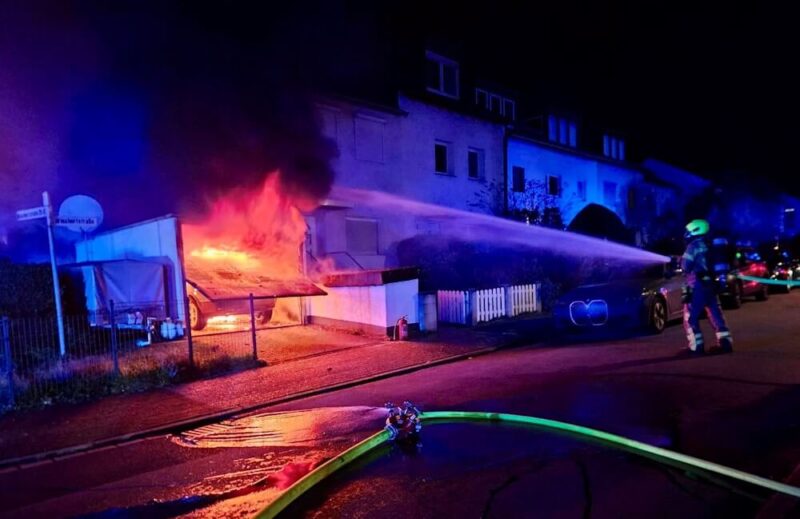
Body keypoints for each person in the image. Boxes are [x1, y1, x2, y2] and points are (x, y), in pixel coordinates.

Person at [682, 219, 733, 354]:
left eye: (688, 231)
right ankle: (725, 343)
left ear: (695, 231)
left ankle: (696, 347)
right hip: (712, 285)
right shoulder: (711, 244)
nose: (686, 234)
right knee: (716, 315)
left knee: (690, 317)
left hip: (697, 286)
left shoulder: (693, 246)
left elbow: (685, 266)